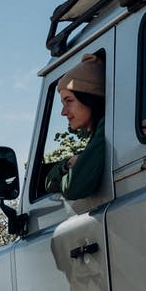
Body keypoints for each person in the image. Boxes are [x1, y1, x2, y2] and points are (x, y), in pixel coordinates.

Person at [44, 53, 107, 200]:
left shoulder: (107, 129)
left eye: (69, 101)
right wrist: (66, 165)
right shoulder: (96, 135)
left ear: (90, 98)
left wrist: (67, 175)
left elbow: (73, 187)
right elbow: (48, 183)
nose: (63, 112)